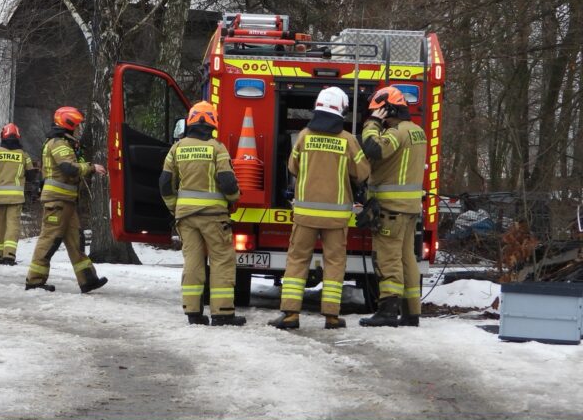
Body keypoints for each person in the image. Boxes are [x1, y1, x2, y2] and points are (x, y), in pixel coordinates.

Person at [268, 86, 370, 330]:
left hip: (305, 215)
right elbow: (362, 173)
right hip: (336, 217)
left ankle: (291, 315)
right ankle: (332, 317)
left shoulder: (304, 136)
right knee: (335, 262)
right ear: (341, 111)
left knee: (297, 260)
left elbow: (292, 167)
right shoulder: (347, 140)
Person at [160, 100, 246, 327]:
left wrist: (174, 207)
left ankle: (193, 312)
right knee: (221, 261)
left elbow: (165, 183)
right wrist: (235, 198)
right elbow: (227, 183)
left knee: (193, 263)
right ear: (212, 123)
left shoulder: (176, 149)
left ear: (190, 121)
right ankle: (223, 313)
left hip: (185, 218)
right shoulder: (217, 148)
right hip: (213, 217)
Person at [359, 86, 427, 328]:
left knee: (387, 258)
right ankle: (411, 312)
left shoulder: (395, 133)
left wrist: (371, 124)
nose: (377, 116)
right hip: (409, 209)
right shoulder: (418, 131)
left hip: (391, 210)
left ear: (387, 109)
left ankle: (387, 310)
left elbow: (373, 149)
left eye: (378, 112)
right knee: (407, 258)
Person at [25, 106, 108, 293]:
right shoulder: (58, 143)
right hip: (57, 202)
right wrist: (91, 167)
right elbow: (68, 168)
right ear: (69, 124)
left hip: (66, 201)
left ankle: (88, 279)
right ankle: (34, 280)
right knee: (49, 239)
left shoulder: (63, 142)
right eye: (77, 125)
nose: (79, 129)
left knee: (75, 241)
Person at [0, 123, 32, 264]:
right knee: (12, 225)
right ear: (18, 137)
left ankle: (0, 254)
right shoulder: (24, 155)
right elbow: (31, 176)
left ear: (3, 136)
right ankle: (9, 255)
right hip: (16, 198)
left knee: (0, 226)